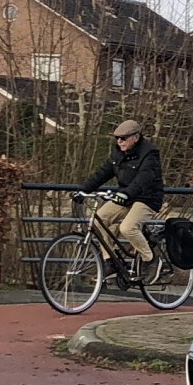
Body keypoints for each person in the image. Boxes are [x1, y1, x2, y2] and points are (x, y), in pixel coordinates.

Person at [82, 118, 165, 281]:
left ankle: (151, 260)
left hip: (147, 198)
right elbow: (103, 173)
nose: (120, 141)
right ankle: (110, 262)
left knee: (127, 228)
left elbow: (144, 178)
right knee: (99, 221)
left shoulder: (149, 153)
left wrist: (126, 193)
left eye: (124, 138)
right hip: (126, 197)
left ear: (136, 137)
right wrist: (82, 190)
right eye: (117, 138)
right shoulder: (118, 153)